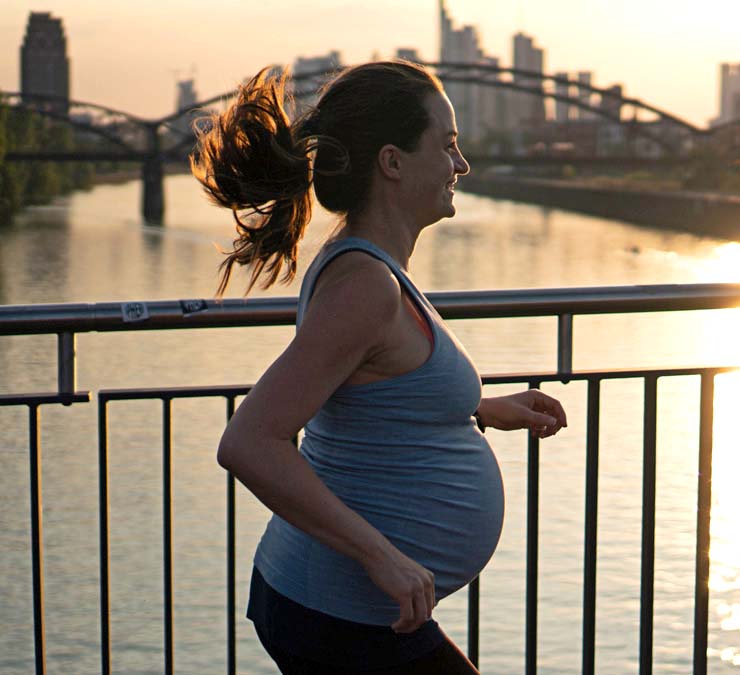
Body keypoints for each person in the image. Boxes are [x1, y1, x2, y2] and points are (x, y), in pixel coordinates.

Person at [192, 61, 568, 674]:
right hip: (340, 616)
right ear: (392, 162)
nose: (461, 164)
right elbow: (249, 442)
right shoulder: (364, 284)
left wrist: (480, 410)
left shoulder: (374, 270)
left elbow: (372, 387)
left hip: (352, 613)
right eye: (447, 145)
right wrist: (380, 557)